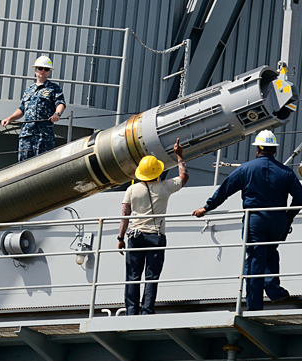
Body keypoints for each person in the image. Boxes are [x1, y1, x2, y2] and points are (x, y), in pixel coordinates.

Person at [192, 130, 302, 311]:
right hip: (278, 221)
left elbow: (226, 189)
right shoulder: (286, 173)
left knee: (255, 260)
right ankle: (274, 290)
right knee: (271, 252)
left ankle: (254, 306)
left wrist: (207, 207)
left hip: (255, 219)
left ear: (258, 149)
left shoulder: (246, 169)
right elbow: (300, 197)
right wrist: (288, 216)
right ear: (274, 150)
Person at [118, 139, 188, 315]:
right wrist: (179, 156)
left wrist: (120, 238)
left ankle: (131, 312)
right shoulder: (165, 187)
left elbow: (125, 215)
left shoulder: (131, 190)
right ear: (157, 172)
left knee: (132, 277)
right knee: (151, 277)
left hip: (135, 237)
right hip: (156, 237)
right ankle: (147, 311)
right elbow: (183, 177)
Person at [1, 55, 66, 162]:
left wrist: (57, 114)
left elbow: (60, 103)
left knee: (42, 166)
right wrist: (9, 118)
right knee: (23, 166)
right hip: (27, 135)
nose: (43, 71)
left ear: (49, 72)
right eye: (40, 68)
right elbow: (22, 109)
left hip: (43, 135)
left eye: (46, 69)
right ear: (35, 70)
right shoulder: (29, 90)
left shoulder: (54, 88)